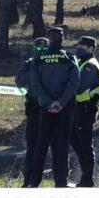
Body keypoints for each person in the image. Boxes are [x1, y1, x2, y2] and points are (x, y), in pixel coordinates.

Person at [29, 26, 80, 188]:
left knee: (41, 145)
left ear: (48, 39)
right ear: (62, 39)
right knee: (61, 146)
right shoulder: (69, 58)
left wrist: (47, 102)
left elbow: (35, 84)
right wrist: (61, 102)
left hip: (44, 108)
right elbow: (74, 83)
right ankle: (61, 182)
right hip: (64, 109)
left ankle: (33, 182)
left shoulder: (38, 59)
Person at [70, 36, 99, 187]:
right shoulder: (82, 63)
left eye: (82, 47)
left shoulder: (90, 66)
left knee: (85, 144)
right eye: (78, 45)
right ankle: (86, 176)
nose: (79, 49)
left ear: (91, 49)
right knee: (76, 142)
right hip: (78, 110)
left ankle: (87, 179)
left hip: (86, 109)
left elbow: (79, 86)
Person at [15, 37, 49, 188]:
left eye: (44, 49)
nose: (41, 51)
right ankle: (28, 180)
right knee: (32, 147)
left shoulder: (52, 63)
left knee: (53, 146)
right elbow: (19, 80)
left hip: (50, 109)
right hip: (34, 109)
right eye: (38, 48)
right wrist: (33, 69)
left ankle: (59, 181)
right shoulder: (29, 63)